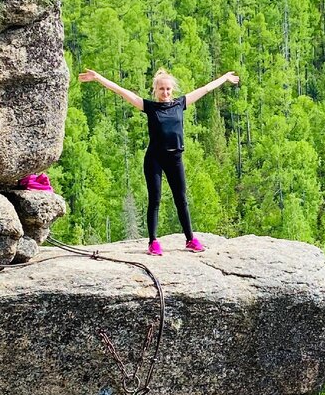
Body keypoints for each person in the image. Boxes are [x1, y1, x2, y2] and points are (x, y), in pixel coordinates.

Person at [77, 66, 240, 255]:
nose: (165, 92)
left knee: (181, 200)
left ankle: (190, 239)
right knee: (155, 200)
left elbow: (205, 89)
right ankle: (153, 241)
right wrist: (98, 77)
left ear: (173, 90)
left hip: (175, 158)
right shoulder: (150, 107)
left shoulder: (180, 104)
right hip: (155, 158)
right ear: (156, 90)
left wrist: (224, 77)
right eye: (161, 89)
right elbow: (122, 91)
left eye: (168, 89)